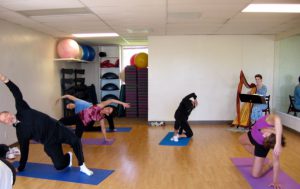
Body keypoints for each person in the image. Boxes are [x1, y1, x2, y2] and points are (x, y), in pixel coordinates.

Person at [0, 73, 93, 176]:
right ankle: (68, 157)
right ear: (6, 123)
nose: (7, 119)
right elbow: (24, 150)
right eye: (4, 120)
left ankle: (82, 166)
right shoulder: (20, 133)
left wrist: (5, 80)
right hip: (49, 141)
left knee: (75, 140)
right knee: (59, 166)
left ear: (9, 113)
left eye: (6, 115)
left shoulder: (22, 109)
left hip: (56, 128)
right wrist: (21, 168)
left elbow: (16, 93)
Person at [239, 114, 286, 189]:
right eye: (266, 136)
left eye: (265, 138)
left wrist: (275, 181)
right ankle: (258, 158)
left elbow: (276, 161)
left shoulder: (271, 143)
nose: (263, 136)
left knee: (255, 175)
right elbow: (277, 118)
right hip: (251, 136)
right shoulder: (270, 120)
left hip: (261, 146)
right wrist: (277, 143)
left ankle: (269, 164)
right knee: (240, 140)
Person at [58, 96, 130, 141]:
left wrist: (105, 138)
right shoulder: (100, 105)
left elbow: (103, 128)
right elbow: (111, 100)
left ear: (107, 114)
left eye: (109, 111)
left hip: (82, 123)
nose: (107, 109)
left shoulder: (101, 118)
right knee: (61, 121)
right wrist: (122, 103)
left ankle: (65, 140)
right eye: (109, 108)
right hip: (77, 117)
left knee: (77, 139)